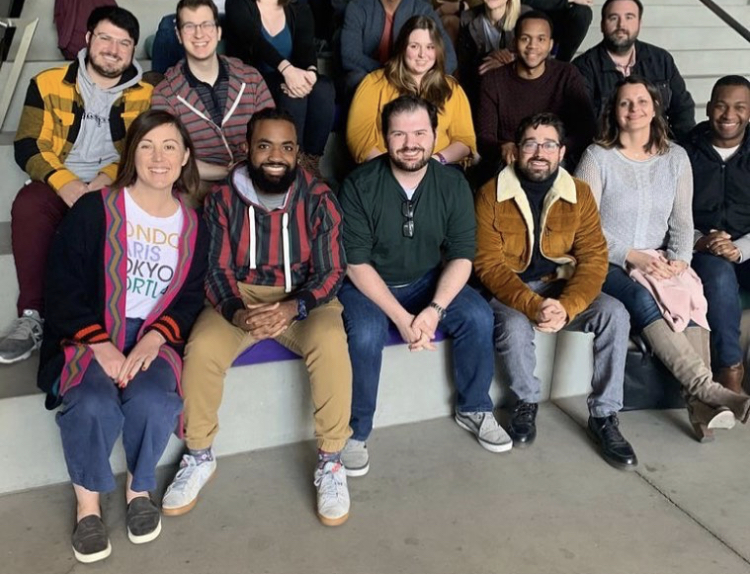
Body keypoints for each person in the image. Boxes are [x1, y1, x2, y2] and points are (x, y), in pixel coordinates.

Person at [160, 108, 353, 527]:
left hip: (303, 298)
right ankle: (199, 455)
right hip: (241, 294)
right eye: (265, 145)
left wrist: (293, 307)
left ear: (298, 152)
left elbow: (331, 272)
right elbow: (215, 270)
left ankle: (332, 460)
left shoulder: (319, 197)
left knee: (333, 343)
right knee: (203, 348)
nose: (275, 156)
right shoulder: (223, 199)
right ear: (247, 148)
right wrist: (237, 312)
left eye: (286, 147)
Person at [38, 109, 209, 563]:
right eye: (147, 146)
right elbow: (61, 285)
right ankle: (88, 504)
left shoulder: (194, 226)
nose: (158, 157)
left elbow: (190, 297)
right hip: (89, 335)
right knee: (92, 402)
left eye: (170, 146)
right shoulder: (96, 210)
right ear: (132, 153)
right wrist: (100, 343)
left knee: (155, 400)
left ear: (185, 156)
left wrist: (155, 339)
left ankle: (138, 490)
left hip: (153, 337)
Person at [338, 95, 511, 477]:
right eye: (398, 133)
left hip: (426, 280)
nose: (409, 142)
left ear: (435, 136)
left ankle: (474, 408)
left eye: (419, 132)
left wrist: (433, 311)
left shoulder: (452, 183)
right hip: (367, 284)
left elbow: (463, 256)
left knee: (478, 315)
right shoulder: (360, 184)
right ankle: (355, 430)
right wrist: (402, 318)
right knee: (366, 333)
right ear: (385, 137)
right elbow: (355, 262)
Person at [575, 76, 750, 441]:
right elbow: (582, 229)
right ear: (615, 112)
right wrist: (632, 256)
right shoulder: (597, 157)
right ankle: (710, 390)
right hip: (603, 258)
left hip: (658, 257)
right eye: (625, 103)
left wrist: (680, 262)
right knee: (640, 296)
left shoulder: (675, 158)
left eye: (641, 101)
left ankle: (703, 413)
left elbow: (682, 222)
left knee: (690, 290)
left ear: (654, 108)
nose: (634, 109)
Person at [475, 112, 637, 469]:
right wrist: (533, 305)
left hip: (562, 286)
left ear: (562, 152)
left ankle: (605, 415)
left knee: (615, 313)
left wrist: (568, 305)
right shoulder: (490, 194)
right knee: (514, 326)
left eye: (549, 144)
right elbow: (489, 265)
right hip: (513, 291)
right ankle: (525, 402)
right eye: (531, 143)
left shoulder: (578, 193)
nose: (539, 152)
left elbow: (594, 257)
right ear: (515, 151)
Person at [0, 7, 152, 366]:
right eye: (105, 38)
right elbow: (27, 144)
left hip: (113, 186)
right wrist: (66, 184)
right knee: (28, 204)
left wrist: (104, 180)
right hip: (57, 180)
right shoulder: (48, 82)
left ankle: (103, 319)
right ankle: (33, 315)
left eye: (124, 43)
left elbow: (141, 149)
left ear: (132, 51)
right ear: (87, 39)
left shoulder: (147, 96)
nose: (113, 49)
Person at [224, 0, 335, 177]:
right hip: (250, 80)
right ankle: (291, 162)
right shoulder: (237, 3)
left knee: (323, 88)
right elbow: (253, 39)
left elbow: (306, 49)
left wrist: (310, 75)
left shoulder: (299, 9)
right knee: (290, 95)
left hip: (288, 76)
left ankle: (310, 164)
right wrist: (287, 69)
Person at [150, 0, 274, 198]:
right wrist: (227, 172)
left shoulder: (250, 78)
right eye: (189, 26)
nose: (199, 34)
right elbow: (170, 158)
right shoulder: (165, 94)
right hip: (200, 186)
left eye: (206, 25)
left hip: (255, 178)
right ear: (179, 35)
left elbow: (272, 135)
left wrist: (249, 166)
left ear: (218, 32)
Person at [685, 75, 750, 393]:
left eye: (739, 107)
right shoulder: (685, 151)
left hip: (747, 247)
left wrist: (739, 248)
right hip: (702, 248)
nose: (729, 115)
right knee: (721, 277)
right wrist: (701, 240)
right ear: (709, 108)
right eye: (721, 105)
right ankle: (730, 371)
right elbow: (671, 213)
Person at [476, 10, 595, 172]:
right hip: (511, 160)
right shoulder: (494, 80)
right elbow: (484, 137)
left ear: (550, 45)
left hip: (557, 160)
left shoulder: (566, 74)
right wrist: (502, 147)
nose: (532, 46)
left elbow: (586, 129)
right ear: (514, 42)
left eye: (541, 39)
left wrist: (554, 150)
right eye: (525, 38)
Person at [346, 15, 475, 165]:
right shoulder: (374, 83)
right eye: (414, 46)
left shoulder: (451, 88)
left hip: (439, 167)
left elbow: (465, 140)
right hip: (385, 168)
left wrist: (435, 161)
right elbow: (359, 138)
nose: (422, 54)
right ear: (402, 48)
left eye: (430, 47)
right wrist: (397, 169)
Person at [573, 0, 696, 142]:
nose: (621, 25)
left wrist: (680, 150)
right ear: (602, 24)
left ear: (639, 23)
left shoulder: (661, 60)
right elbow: (584, 125)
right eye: (613, 18)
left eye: (629, 17)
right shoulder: (582, 68)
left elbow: (682, 110)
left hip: (659, 150)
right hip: (608, 151)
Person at [340, 0, 456, 97]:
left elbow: (450, 58)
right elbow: (349, 55)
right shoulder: (357, 8)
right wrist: (392, 72)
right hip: (373, 79)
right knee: (354, 79)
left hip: (414, 81)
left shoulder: (423, 9)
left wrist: (419, 77)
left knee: (445, 84)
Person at [456, 0, 528, 112]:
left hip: (519, 88)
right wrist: (492, 57)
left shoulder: (527, 17)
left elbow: (540, 58)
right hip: (480, 88)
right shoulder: (467, 18)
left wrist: (510, 62)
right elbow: (465, 66)